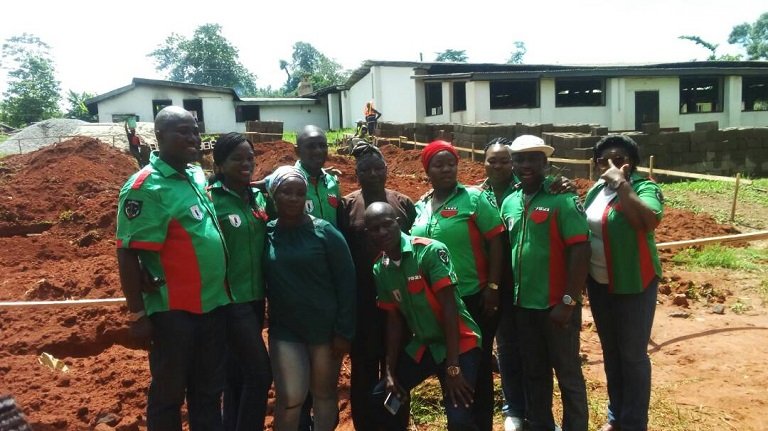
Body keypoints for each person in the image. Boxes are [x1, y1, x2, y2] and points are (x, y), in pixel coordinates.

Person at [116, 106, 229, 431]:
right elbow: (126, 253)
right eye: (183, 131)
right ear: (160, 137)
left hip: (213, 307)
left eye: (195, 130)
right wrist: (137, 316)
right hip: (173, 313)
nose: (193, 137)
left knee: (208, 394)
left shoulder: (194, 174)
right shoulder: (145, 188)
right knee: (168, 395)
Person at [498, 135, 591, 431]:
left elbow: (581, 249)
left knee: (568, 374)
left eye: (533, 159)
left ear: (545, 163)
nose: (526, 165)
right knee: (534, 373)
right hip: (524, 307)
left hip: (557, 306)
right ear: (513, 164)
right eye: (520, 159)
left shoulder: (562, 199)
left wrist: (568, 301)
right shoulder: (510, 202)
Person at [411, 140, 505, 431]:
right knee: (450, 364)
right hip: (439, 303)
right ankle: (461, 417)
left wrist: (493, 287)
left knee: (477, 369)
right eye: (439, 164)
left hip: (474, 297)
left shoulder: (473, 199)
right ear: (427, 170)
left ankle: (479, 424)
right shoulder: (421, 205)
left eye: (451, 163)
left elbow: (497, 241)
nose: (446, 169)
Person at [365, 202, 482, 431]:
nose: (381, 232)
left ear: (398, 224)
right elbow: (394, 320)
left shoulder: (429, 252)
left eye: (387, 224)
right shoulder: (381, 268)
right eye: (374, 228)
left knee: (459, 420)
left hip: (460, 343)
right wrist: (390, 372)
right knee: (382, 397)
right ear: (368, 233)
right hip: (426, 345)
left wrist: (454, 367)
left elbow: (450, 309)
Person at [264, 165, 356, 431]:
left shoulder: (325, 232)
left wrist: (344, 331)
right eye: (286, 192)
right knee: (291, 398)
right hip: (286, 331)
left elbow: (347, 283)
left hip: (325, 332)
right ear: (273, 195)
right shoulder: (267, 233)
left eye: (299, 193)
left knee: (324, 395)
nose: (294, 198)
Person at [584, 135, 663, 431]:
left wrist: (623, 185)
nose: (610, 165)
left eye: (618, 160)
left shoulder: (645, 188)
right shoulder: (595, 191)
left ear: (632, 163)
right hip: (600, 283)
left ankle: (634, 423)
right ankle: (616, 416)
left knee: (632, 355)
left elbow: (648, 222)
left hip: (634, 282)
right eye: (603, 161)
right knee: (611, 352)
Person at [337, 142, 416, 430]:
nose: (372, 174)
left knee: (398, 368)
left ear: (387, 170)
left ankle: (396, 424)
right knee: (364, 369)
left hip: (399, 302)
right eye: (365, 169)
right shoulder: (347, 206)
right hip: (363, 304)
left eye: (377, 168)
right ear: (356, 173)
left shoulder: (404, 203)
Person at [207, 133, 272, 431]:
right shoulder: (211, 198)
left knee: (237, 374)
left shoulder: (258, 197)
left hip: (257, 298)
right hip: (230, 301)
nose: (246, 164)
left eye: (249, 158)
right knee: (260, 374)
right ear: (219, 164)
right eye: (237, 158)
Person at [293, 125, 341, 226]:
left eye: (322, 146)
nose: (318, 151)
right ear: (297, 151)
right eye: (311, 146)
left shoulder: (332, 182)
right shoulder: (287, 184)